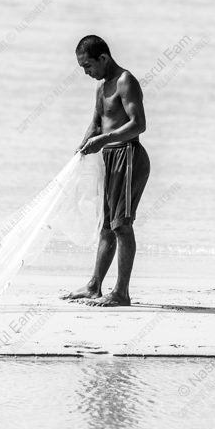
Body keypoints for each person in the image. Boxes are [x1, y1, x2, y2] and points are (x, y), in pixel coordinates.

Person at [63, 35, 150, 306]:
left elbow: (139, 124)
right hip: (110, 159)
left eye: (88, 65)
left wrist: (103, 140)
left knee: (122, 226)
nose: (87, 72)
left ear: (103, 58)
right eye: (82, 68)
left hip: (128, 156)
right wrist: (80, 149)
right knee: (106, 227)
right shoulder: (101, 89)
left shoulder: (126, 81)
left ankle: (121, 293)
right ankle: (94, 286)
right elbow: (96, 126)